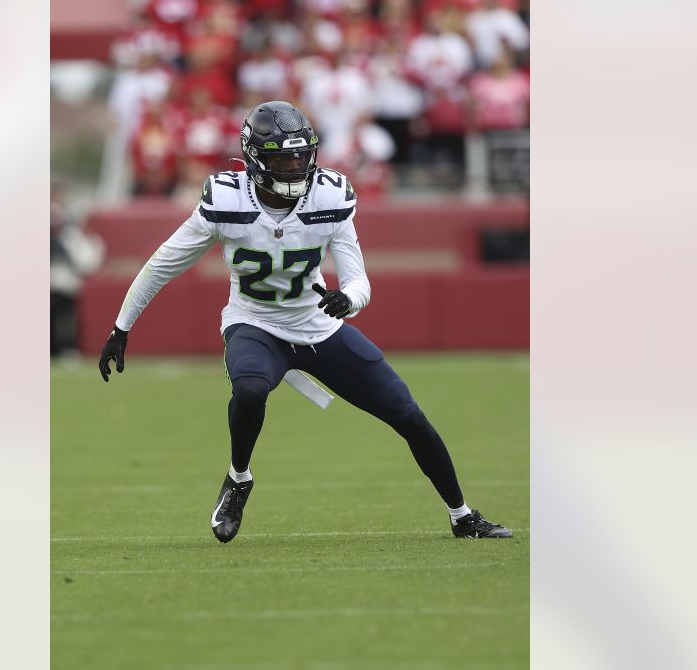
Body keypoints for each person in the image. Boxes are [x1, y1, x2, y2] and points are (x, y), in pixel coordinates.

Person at [96, 101, 512, 542]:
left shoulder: (330, 196)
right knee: (251, 388)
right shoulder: (226, 200)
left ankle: (462, 515)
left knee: (407, 414)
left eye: (301, 156)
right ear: (255, 157)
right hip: (254, 323)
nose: (294, 167)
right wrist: (121, 327)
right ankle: (239, 478)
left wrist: (346, 300)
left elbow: (359, 281)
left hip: (318, 327)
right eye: (281, 158)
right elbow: (163, 264)